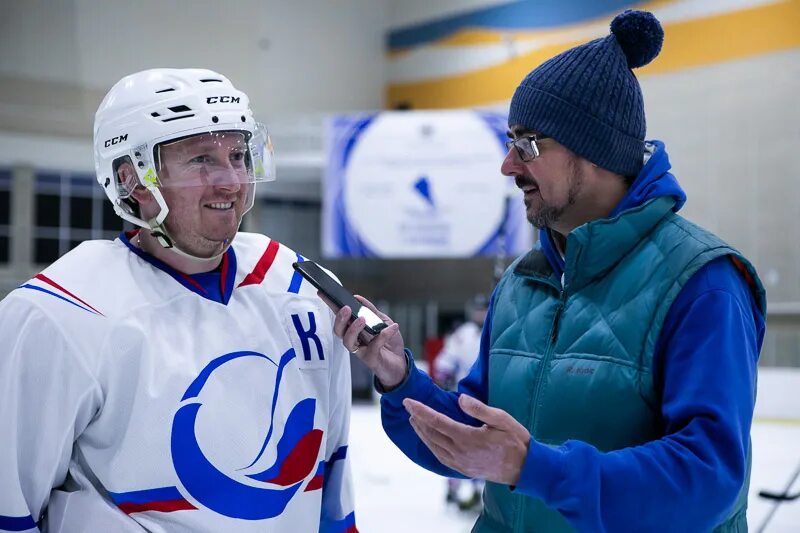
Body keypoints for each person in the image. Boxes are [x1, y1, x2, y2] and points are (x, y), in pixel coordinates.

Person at [329, 10, 766, 532]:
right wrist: (398, 376)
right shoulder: (521, 283)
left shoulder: (702, 285)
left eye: (528, 144)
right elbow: (477, 439)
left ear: (596, 150)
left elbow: (707, 478)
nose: (508, 165)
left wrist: (536, 468)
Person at [0, 69, 357, 532]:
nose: (231, 181)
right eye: (202, 160)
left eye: (237, 155)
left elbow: (332, 490)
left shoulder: (305, 290)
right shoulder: (58, 314)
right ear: (132, 180)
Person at [432, 295, 488, 511]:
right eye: (477, 310)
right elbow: (445, 359)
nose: (480, 314)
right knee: (455, 442)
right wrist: (443, 376)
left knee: (482, 444)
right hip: (462, 397)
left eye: (484, 310)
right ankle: (452, 488)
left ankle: (478, 490)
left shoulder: (497, 328)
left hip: (487, 400)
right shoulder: (462, 334)